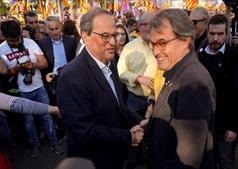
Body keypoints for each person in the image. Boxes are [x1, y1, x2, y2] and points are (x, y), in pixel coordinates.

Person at [56, 8, 145, 169]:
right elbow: (84, 131)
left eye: (114, 34)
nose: (113, 41)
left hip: (114, 157)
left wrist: (140, 121)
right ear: (85, 36)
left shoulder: (110, 62)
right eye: (105, 36)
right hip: (92, 161)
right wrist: (128, 136)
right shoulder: (72, 76)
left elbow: (116, 105)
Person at [147, 9, 216, 169]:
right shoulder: (178, 71)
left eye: (162, 43)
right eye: (153, 44)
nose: (155, 51)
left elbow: (187, 163)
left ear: (185, 40)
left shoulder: (192, 85)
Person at [0, 20, 61, 158]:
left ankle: (54, 142)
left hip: (39, 87)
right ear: (4, 36)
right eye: (12, 41)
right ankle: (35, 146)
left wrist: (32, 66)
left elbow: (44, 63)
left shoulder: (30, 43)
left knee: (46, 116)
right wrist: (12, 70)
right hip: (20, 91)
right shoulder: (1, 49)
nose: (16, 43)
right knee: (28, 121)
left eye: (17, 39)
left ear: (21, 33)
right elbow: (3, 71)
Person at [198, 14, 238, 169]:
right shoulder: (199, 56)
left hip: (225, 123)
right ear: (207, 33)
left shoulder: (237, 59)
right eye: (212, 34)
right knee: (207, 158)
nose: (215, 38)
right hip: (204, 121)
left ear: (227, 34)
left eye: (220, 34)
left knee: (225, 159)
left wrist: (234, 127)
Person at [39, 16, 77, 104]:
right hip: (53, 79)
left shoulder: (71, 41)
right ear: (47, 30)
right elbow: (43, 62)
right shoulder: (43, 43)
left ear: (61, 26)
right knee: (56, 104)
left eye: (57, 28)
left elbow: (75, 60)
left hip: (69, 77)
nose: (55, 32)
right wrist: (46, 75)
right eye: (51, 29)